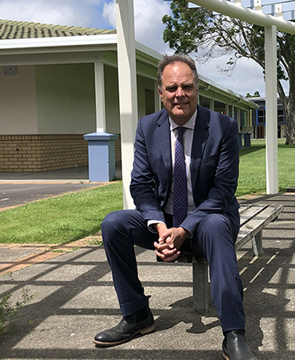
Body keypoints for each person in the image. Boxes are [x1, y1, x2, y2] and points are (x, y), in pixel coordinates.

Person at [93, 54, 257, 360]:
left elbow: (223, 192)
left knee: (217, 225)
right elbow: (140, 186)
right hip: (166, 221)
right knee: (113, 223)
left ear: (197, 88)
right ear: (160, 92)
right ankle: (137, 315)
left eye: (187, 86)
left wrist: (185, 229)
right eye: (172, 88)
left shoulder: (223, 127)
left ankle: (234, 333)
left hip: (209, 219)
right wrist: (159, 226)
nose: (179, 94)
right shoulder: (147, 127)